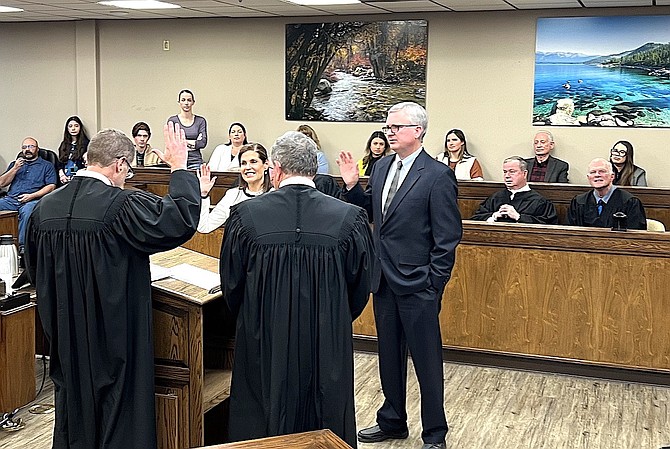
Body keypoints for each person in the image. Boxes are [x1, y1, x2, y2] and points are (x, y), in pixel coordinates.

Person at [25, 123, 201, 449]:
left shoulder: (42, 211)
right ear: (119, 164)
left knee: (74, 412)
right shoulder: (119, 205)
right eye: (128, 170)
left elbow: (36, 274)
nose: (127, 177)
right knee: (119, 411)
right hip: (114, 337)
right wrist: (179, 167)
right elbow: (177, 220)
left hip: (65, 336)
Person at [219, 131, 373, 447]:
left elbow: (232, 285)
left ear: (275, 168)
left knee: (263, 412)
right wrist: (334, 315)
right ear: (314, 168)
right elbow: (360, 288)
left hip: (264, 336)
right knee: (324, 412)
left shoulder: (245, 216)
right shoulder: (350, 218)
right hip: (326, 337)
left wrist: (256, 316)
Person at [337, 101, 462, 449]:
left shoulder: (437, 175)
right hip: (384, 281)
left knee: (426, 362)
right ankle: (392, 421)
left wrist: (433, 284)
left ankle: (435, 433)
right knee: (389, 357)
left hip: (419, 285)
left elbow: (448, 236)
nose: (389, 132)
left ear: (418, 130)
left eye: (397, 127)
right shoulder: (379, 168)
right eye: (388, 127)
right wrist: (351, 188)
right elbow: (373, 215)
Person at [198, 142, 271, 233]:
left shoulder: (275, 194)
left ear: (266, 164)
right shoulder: (232, 195)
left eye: (253, 162)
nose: (247, 167)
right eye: (243, 163)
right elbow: (204, 227)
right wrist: (204, 195)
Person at [0, 137, 57, 247]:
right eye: (24, 147)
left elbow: (51, 186)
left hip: (33, 200)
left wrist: (32, 196)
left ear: (37, 149)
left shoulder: (46, 166)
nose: (27, 149)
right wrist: (15, 168)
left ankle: (20, 246)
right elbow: (2, 184)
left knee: (27, 212)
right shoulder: (14, 164)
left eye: (31, 146)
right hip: (11, 200)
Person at [471, 156, 557, 224]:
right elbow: (476, 219)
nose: (507, 176)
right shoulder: (496, 197)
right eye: (505, 172)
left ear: (524, 174)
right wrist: (494, 216)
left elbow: (547, 226)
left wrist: (518, 217)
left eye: (512, 172)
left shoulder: (539, 201)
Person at [568, 158, 646, 230]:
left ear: (612, 176)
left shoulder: (630, 202)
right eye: (593, 172)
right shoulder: (578, 202)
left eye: (602, 171)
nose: (597, 175)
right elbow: (569, 233)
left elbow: (636, 237)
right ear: (589, 178)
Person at [167, 89, 207, 169]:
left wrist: (182, 141)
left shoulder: (200, 121)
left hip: (195, 161)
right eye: (183, 100)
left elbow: (202, 143)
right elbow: (172, 143)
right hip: (178, 161)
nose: (186, 103)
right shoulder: (172, 121)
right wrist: (194, 143)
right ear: (179, 102)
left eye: (189, 100)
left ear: (193, 102)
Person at [57, 115, 89, 184]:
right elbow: (60, 163)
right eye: (70, 126)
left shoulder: (86, 144)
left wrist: (74, 175)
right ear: (67, 129)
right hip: (63, 178)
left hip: (79, 179)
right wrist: (62, 175)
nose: (73, 129)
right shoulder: (63, 144)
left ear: (80, 128)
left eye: (76, 126)